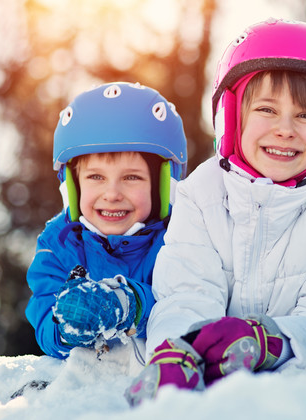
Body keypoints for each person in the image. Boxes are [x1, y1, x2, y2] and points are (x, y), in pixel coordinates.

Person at [124, 18, 306, 406]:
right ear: (231, 116)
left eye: (305, 116)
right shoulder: (202, 191)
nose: (285, 130)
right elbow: (186, 291)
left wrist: (272, 340)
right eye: (266, 109)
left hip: (304, 397)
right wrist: (176, 348)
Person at [25, 82, 188, 360]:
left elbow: (184, 305)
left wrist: (130, 303)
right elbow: (43, 316)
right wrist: (65, 326)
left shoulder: (180, 241)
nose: (112, 194)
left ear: (163, 186)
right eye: (96, 177)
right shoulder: (59, 245)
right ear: (72, 187)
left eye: (131, 177)